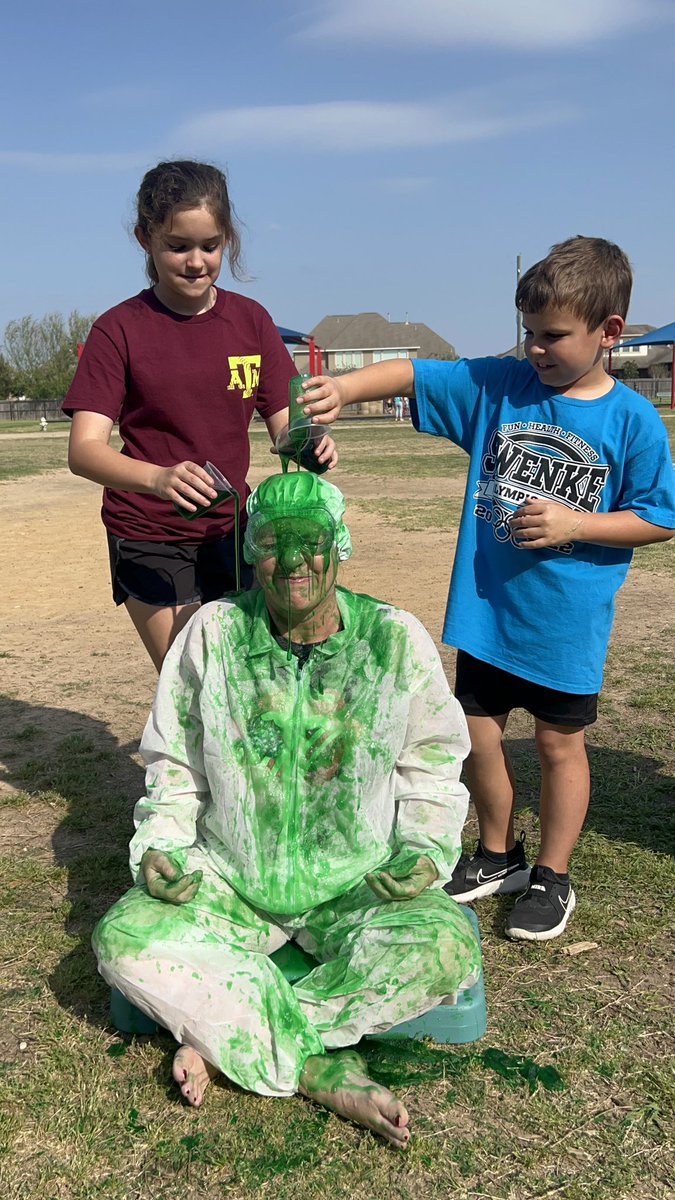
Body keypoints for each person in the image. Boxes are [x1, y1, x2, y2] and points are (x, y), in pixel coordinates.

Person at [298, 236, 675, 942]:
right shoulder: (499, 390)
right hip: (485, 616)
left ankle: (553, 875)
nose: (534, 347)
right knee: (473, 738)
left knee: (560, 747)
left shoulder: (631, 420)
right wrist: (342, 389)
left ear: (608, 332)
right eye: (527, 332)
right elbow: (416, 373)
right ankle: (497, 852)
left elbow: (660, 517)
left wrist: (577, 523)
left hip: (564, 624)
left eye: (552, 335)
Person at [93, 471, 481, 1148]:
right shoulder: (212, 633)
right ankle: (314, 1065)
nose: (295, 562)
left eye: (313, 541)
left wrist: (422, 852)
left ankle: (228, 1037)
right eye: (274, 542)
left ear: (342, 543)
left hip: (356, 882)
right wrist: (160, 845)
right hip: (232, 880)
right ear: (250, 551)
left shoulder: (393, 640)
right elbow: (175, 763)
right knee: (121, 940)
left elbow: (432, 764)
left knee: (445, 950)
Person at [63, 160, 337, 672]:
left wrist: (311, 442)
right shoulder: (118, 330)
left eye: (209, 246)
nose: (196, 261)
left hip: (235, 532)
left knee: (250, 672)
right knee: (193, 677)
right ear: (146, 239)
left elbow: (287, 430)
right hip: (147, 530)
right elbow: (84, 451)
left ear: (227, 239)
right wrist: (158, 477)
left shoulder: (252, 322)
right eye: (177, 246)